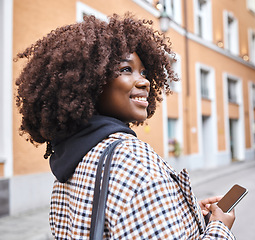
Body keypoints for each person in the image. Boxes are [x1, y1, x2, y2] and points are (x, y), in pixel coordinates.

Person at [15, 14, 236, 239]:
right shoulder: (133, 159)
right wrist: (220, 226)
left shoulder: (71, 161)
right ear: (92, 82)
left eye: (144, 72)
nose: (145, 82)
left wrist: (180, 214)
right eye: (126, 70)